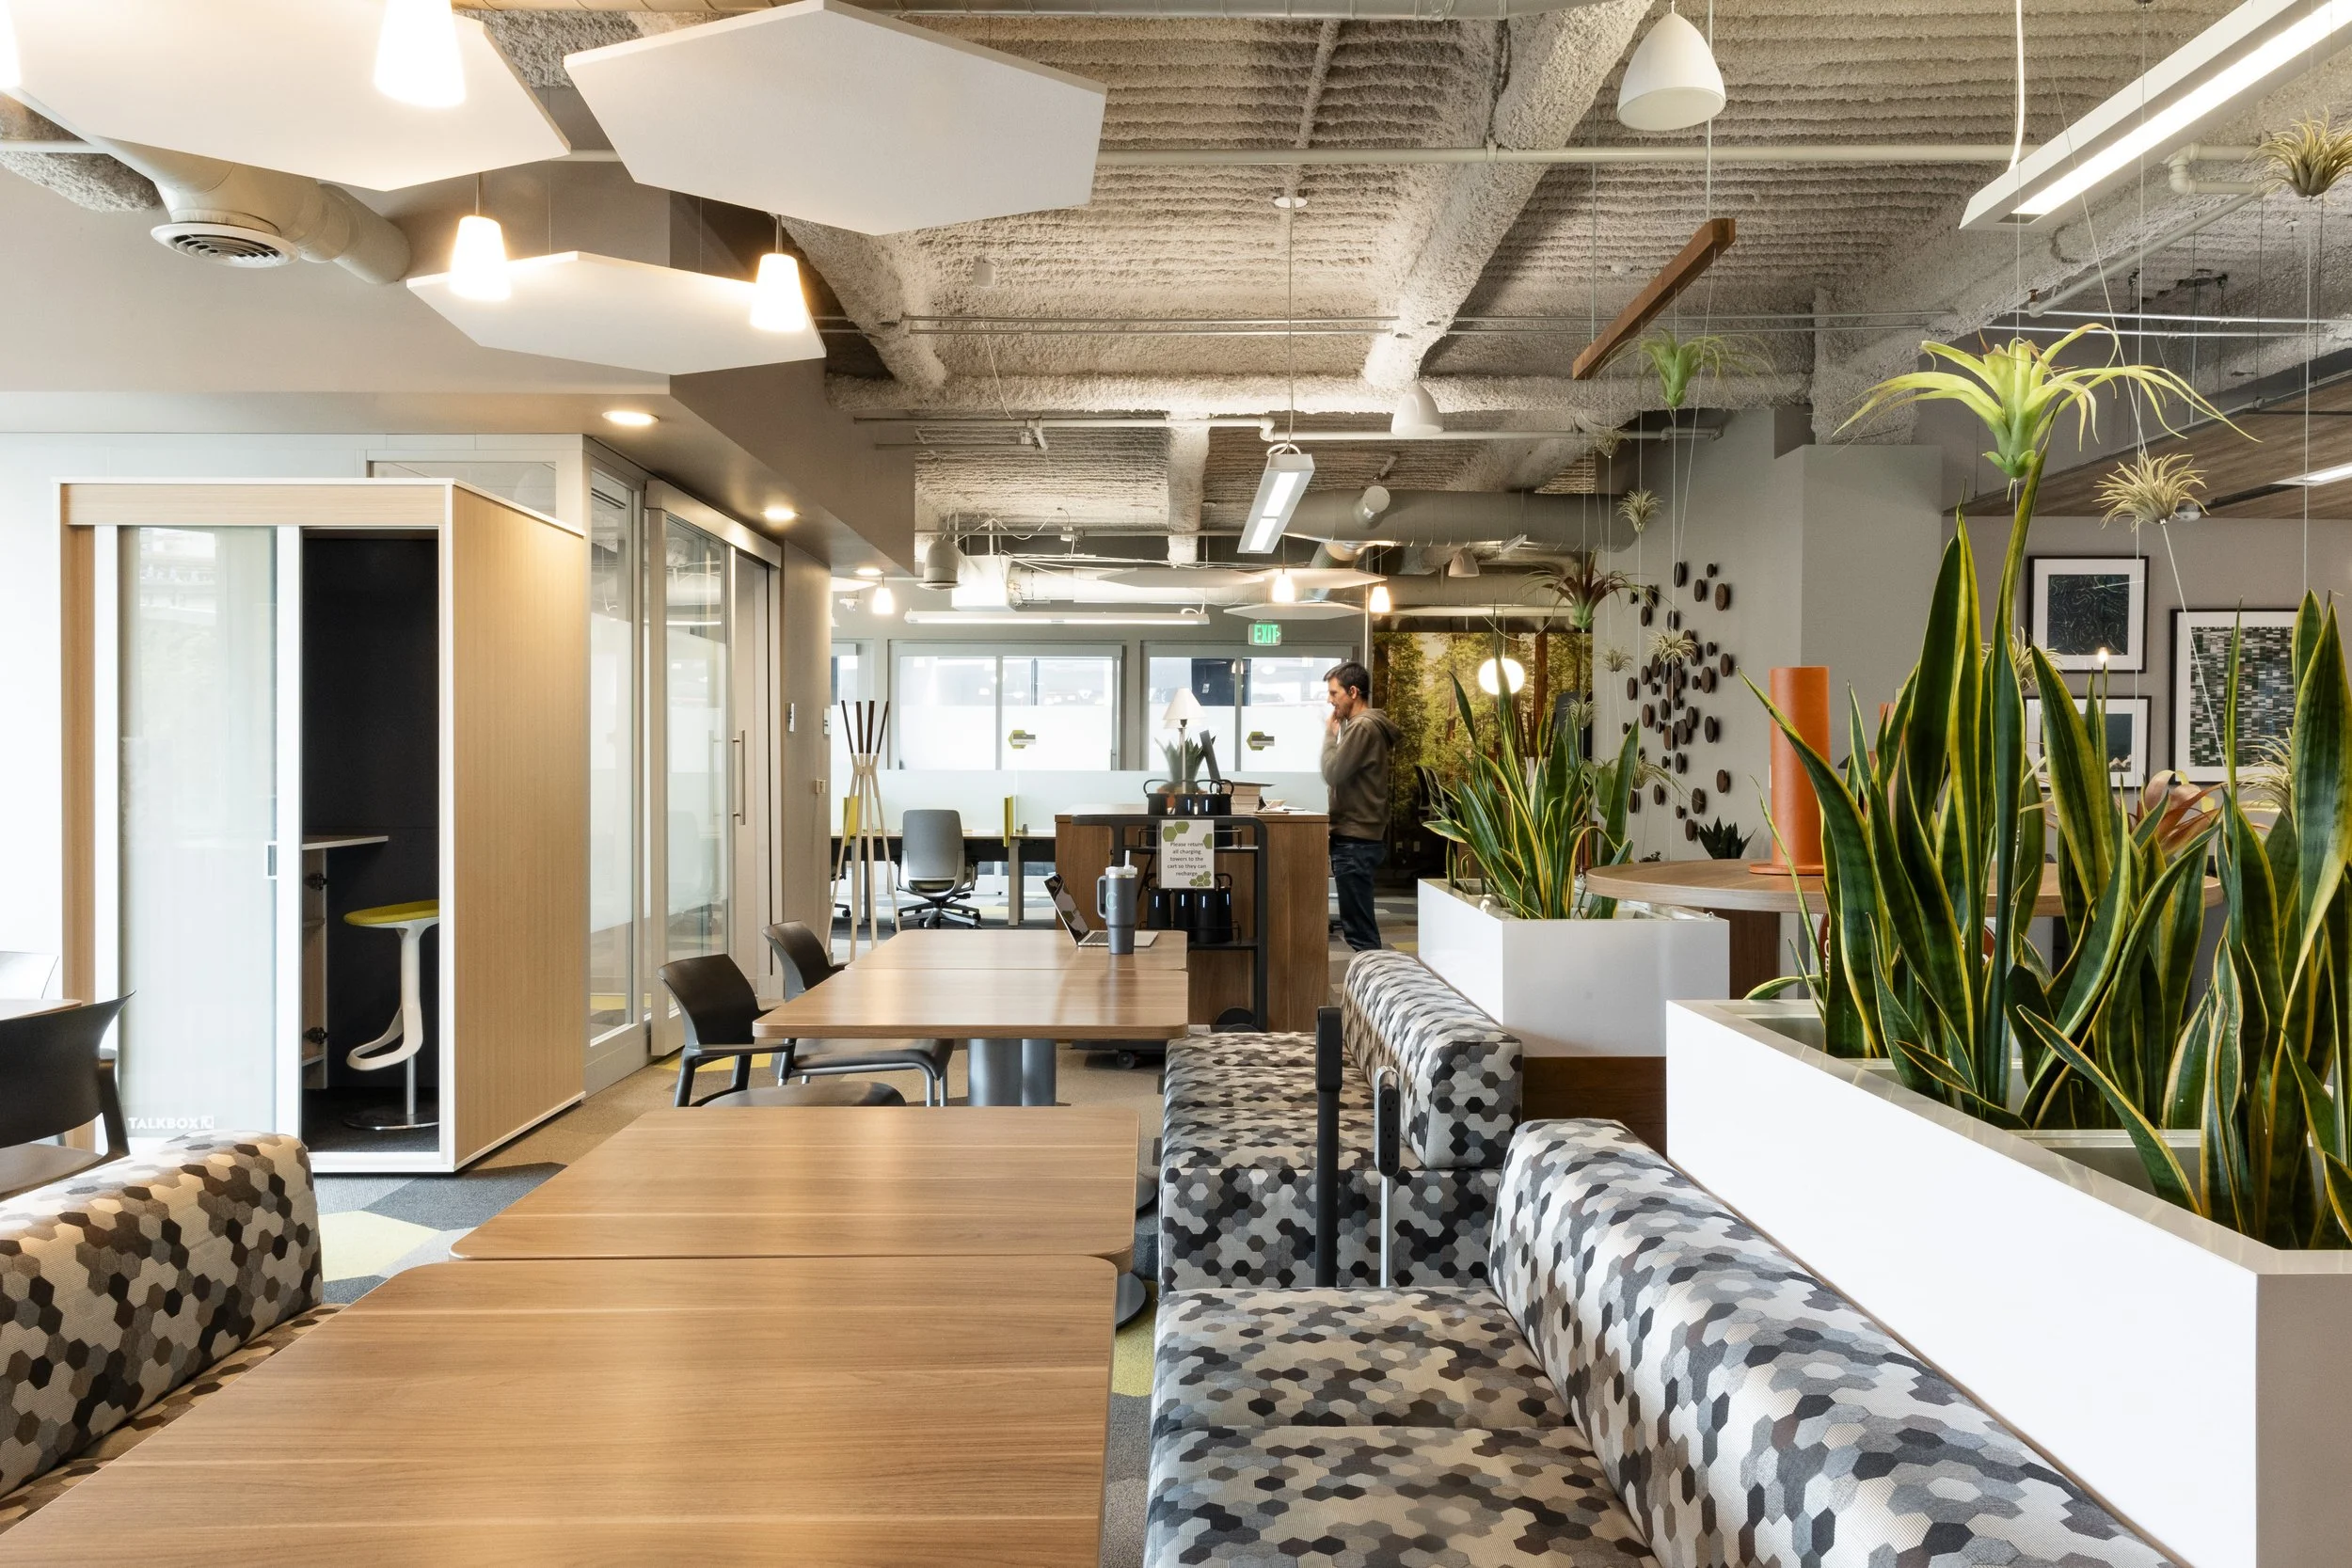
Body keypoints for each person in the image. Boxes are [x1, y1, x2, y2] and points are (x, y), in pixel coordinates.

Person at [1321, 660, 1398, 952]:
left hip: (1355, 839)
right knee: (1359, 925)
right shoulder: (1361, 726)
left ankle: (1375, 979)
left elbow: (1333, 772)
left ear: (1353, 692)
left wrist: (1329, 736)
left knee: (1360, 932)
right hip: (1358, 837)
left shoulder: (1363, 727)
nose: (1330, 700)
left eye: (1334, 693)